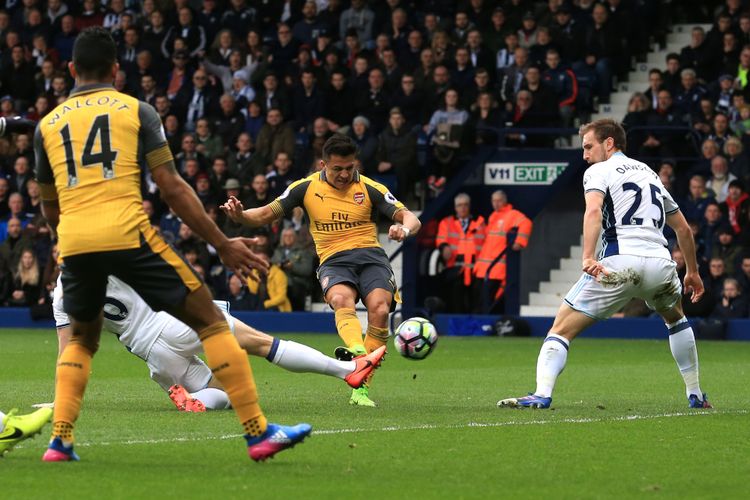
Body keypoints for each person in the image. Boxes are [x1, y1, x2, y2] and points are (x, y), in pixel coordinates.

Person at [33, 27, 310, 463]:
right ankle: (259, 433)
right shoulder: (137, 111)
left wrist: (68, 241)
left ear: (70, 70)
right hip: (127, 234)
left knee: (82, 343)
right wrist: (221, 241)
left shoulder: (46, 126)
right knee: (211, 321)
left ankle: (61, 442)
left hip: (75, 243)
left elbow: (49, 209)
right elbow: (172, 188)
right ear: (116, 70)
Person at [498, 119, 712, 410]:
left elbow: (594, 210)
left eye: (588, 146)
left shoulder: (599, 170)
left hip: (621, 263)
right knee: (676, 319)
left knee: (560, 329)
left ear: (609, 143)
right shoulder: (650, 174)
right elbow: (684, 229)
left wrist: (587, 256)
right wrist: (694, 272)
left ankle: (542, 393)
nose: (584, 155)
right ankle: (696, 394)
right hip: (662, 264)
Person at [222, 134, 421, 407]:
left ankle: (360, 388)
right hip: (334, 260)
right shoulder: (304, 188)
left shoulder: (370, 188)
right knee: (341, 300)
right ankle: (357, 351)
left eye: (349, 168)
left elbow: (410, 217)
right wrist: (241, 216)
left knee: (380, 309)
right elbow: (267, 213)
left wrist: (404, 228)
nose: (343, 174)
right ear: (322, 164)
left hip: (371, 256)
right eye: (337, 168)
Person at [52, 275, 386, 412]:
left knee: (226, 392)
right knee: (261, 344)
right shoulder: (106, 258)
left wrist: (61, 401)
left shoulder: (60, 296)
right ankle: (347, 370)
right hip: (175, 322)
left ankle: (196, 400)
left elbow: (68, 354)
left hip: (152, 355)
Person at [473, 190, 532, 314]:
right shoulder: (493, 216)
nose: (496, 203)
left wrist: (519, 242)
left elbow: (526, 223)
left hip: (497, 269)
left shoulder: (512, 214)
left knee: (489, 300)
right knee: (479, 300)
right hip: (484, 268)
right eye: (494, 200)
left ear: (505, 201)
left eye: (499, 200)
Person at [435, 193, 485, 314]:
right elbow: (441, 240)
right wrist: (444, 247)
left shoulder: (480, 223)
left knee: (477, 299)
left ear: (469, 206)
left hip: (476, 268)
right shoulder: (446, 223)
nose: (462, 208)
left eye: (465, 205)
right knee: (456, 298)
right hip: (455, 267)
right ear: (455, 207)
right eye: (459, 205)